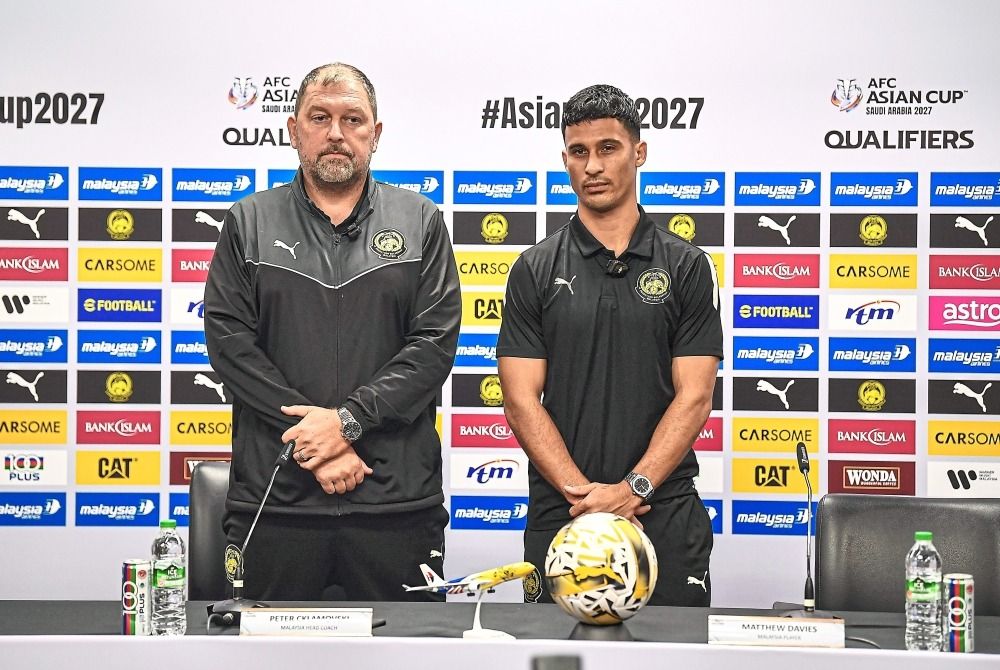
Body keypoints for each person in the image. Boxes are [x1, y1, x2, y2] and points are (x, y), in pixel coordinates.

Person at [204, 62, 461, 601]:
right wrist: (315, 442)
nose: (337, 133)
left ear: (376, 133)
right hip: (276, 501)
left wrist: (347, 422)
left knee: (406, 647)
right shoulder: (248, 220)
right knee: (261, 646)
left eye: (353, 119)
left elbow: (433, 347)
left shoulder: (421, 220)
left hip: (395, 504)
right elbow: (231, 346)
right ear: (293, 130)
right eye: (319, 118)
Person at [497, 84, 722, 606]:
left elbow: (695, 396)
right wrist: (586, 499)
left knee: (672, 649)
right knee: (555, 650)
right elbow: (520, 399)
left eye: (608, 148)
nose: (592, 166)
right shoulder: (534, 268)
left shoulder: (687, 266)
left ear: (638, 153)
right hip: (563, 512)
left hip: (661, 510)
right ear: (565, 160)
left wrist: (631, 490)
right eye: (578, 151)